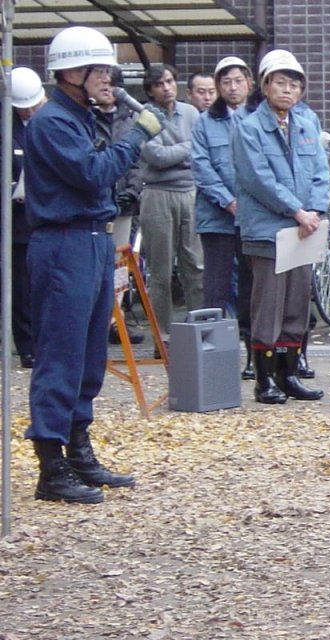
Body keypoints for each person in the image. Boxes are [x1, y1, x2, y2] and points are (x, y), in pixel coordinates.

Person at [23, 25, 163, 503]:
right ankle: (51, 465)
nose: (109, 79)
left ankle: (78, 450)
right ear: (71, 73)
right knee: (60, 354)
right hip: (65, 244)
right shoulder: (52, 122)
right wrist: (135, 137)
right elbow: (92, 175)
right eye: (100, 70)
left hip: (91, 242)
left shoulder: (79, 117)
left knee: (88, 356)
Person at [232, 50, 328, 404]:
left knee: (296, 302)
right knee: (268, 304)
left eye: (294, 85)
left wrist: (315, 209)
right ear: (265, 85)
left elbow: (320, 169)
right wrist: (297, 211)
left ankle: (289, 374)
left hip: (305, 229)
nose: (287, 90)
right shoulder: (249, 128)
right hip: (268, 229)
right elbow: (258, 179)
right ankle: (264, 380)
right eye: (280, 83)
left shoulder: (307, 124)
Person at [192, 56, 255, 377]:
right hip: (217, 220)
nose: (232, 87)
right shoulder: (205, 122)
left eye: (238, 80)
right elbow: (202, 169)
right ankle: (214, 360)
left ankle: (252, 357)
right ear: (217, 87)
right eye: (226, 81)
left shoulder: (259, 117)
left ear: (250, 84)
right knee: (215, 290)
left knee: (251, 287)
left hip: (255, 219)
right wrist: (229, 202)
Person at [138, 63, 203, 349]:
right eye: (160, 84)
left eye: (170, 81)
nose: (167, 88)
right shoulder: (142, 116)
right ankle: (161, 338)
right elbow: (155, 157)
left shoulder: (191, 113)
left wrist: (181, 152)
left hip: (190, 192)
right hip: (156, 193)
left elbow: (201, 150)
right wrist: (187, 149)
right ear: (150, 90)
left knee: (196, 265)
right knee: (160, 271)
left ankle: (200, 332)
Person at [93, 67, 146, 348]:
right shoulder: (88, 117)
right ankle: (99, 321)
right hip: (97, 202)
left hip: (124, 205)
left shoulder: (130, 118)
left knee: (120, 267)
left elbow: (138, 161)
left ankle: (118, 320)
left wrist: (132, 191)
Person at [7, 67, 46, 369]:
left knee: (44, 284)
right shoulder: (7, 128)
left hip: (46, 216)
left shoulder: (48, 120)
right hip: (18, 219)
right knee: (22, 286)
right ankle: (27, 345)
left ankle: (45, 340)